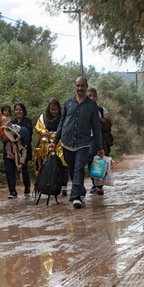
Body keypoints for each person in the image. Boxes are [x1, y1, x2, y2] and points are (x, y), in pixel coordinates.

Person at [50, 77, 104, 208]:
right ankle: (80, 192)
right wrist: (55, 141)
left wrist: (99, 146)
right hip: (67, 142)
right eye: (78, 86)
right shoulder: (68, 103)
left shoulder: (92, 105)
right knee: (72, 169)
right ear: (75, 86)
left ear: (86, 86)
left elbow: (96, 127)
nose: (80, 88)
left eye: (82, 86)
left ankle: (75, 198)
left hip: (83, 143)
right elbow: (62, 123)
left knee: (79, 169)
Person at [34, 97, 69, 196]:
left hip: (60, 144)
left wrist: (54, 135)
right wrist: (44, 132)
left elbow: (66, 129)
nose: (54, 112)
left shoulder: (63, 117)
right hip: (45, 146)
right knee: (45, 165)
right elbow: (37, 128)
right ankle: (45, 185)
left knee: (63, 165)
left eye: (56, 110)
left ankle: (63, 186)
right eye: (52, 110)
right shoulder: (43, 117)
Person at [0, 105, 27, 199]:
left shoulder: (11, 122)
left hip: (16, 148)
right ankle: (12, 191)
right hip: (7, 148)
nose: (7, 112)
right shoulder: (2, 121)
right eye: (5, 111)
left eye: (8, 111)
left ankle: (26, 188)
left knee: (20, 168)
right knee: (9, 171)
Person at [86, 87, 113, 195]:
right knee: (89, 160)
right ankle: (95, 184)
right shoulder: (83, 110)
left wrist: (99, 120)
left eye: (94, 96)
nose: (92, 98)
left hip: (99, 138)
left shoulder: (102, 110)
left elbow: (109, 123)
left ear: (96, 97)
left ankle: (99, 185)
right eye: (89, 96)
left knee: (99, 160)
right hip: (87, 138)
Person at [12, 103, 34, 197]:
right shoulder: (12, 122)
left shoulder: (27, 121)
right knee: (14, 167)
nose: (18, 111)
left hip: (25, 148)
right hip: (15, 148)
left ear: (23, 111)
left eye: (20, 109)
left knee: (24, 167)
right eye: (16, 110)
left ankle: (27, 186)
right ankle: (13, 190)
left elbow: (28, 133)